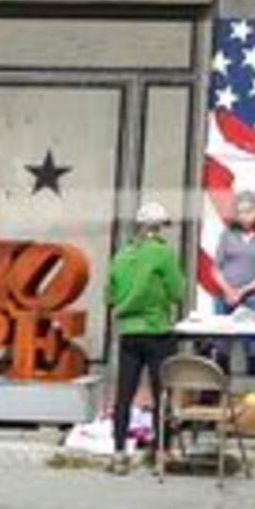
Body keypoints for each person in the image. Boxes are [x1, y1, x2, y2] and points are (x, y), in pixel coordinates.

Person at [104, 199, 189, 475]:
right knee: (160, 393)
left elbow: (109, 294)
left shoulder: (121, 254)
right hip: (157, 330)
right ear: (159, 227)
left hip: (128, 331)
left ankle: (119, 453)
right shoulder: (162, 253)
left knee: (124, 395)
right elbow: (177, 291)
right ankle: (161, 454)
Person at [205, 191, 255, 317]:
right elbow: (216, 269)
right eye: (239, 213)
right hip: (224, 298)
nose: (244, 216)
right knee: (222, 335)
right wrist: (228, 291)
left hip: (252, 299)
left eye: (248, 212)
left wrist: (241, 291)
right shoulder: (227, 233)